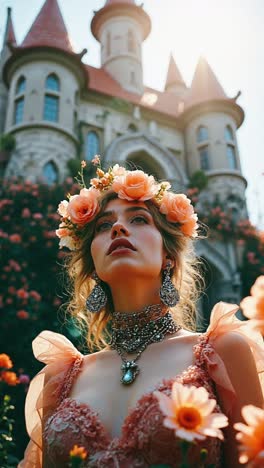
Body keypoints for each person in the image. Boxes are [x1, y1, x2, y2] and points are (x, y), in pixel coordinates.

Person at [19, 162, 264, 468]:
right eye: (104, 226)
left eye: (138, 219)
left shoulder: (224, 353)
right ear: (93, 264)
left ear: (168, 257)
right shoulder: (59, 378)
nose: (119, 228)